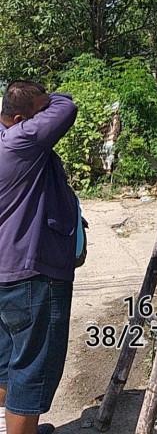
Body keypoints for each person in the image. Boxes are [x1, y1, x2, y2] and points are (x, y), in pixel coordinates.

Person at [0, 82, 79, 434]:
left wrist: (35, 102)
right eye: (40, 112)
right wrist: (50, 100)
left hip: (6, 271)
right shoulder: (21, 141)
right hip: (31, 274)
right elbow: (67, 108)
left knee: (7, 363)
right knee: (32, 369)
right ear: (20, 119)